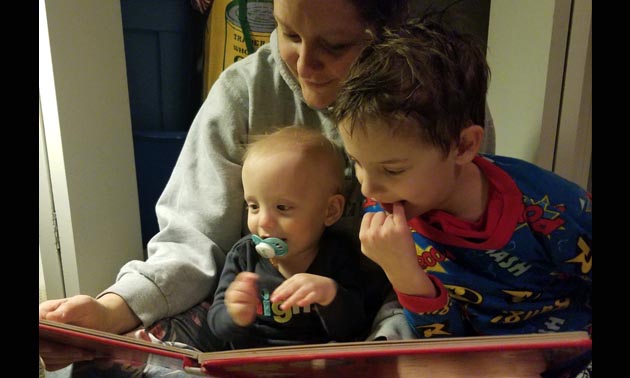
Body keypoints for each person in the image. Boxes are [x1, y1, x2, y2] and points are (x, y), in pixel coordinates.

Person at [39, 0, 497, 371]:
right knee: (107, 365)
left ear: (388, 32)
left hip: (397, 302)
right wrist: (114, 311)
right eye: (289, 34)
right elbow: (191, 240)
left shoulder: (439, 104)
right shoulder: (244, 92)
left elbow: (455, 259)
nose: (305, 64)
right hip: (261, 333)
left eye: (334, 45)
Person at [331, 18, 592, 339]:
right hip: (480, 359)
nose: (367, 188)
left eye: (393, 169)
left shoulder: (550, 206)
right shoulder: (390, 223)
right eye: (356, 162)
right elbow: (440, 340)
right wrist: (404, 275)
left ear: (465, 145)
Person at [207, 126, 367, 349]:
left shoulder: (337, 253)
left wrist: (330, 295)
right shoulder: (244, 256)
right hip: (252, 361)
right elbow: (216, 325)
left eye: (282, 207)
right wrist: (234, 313)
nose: (262, 221)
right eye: (253, 206)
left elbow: (356, 326)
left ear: (330, 210)